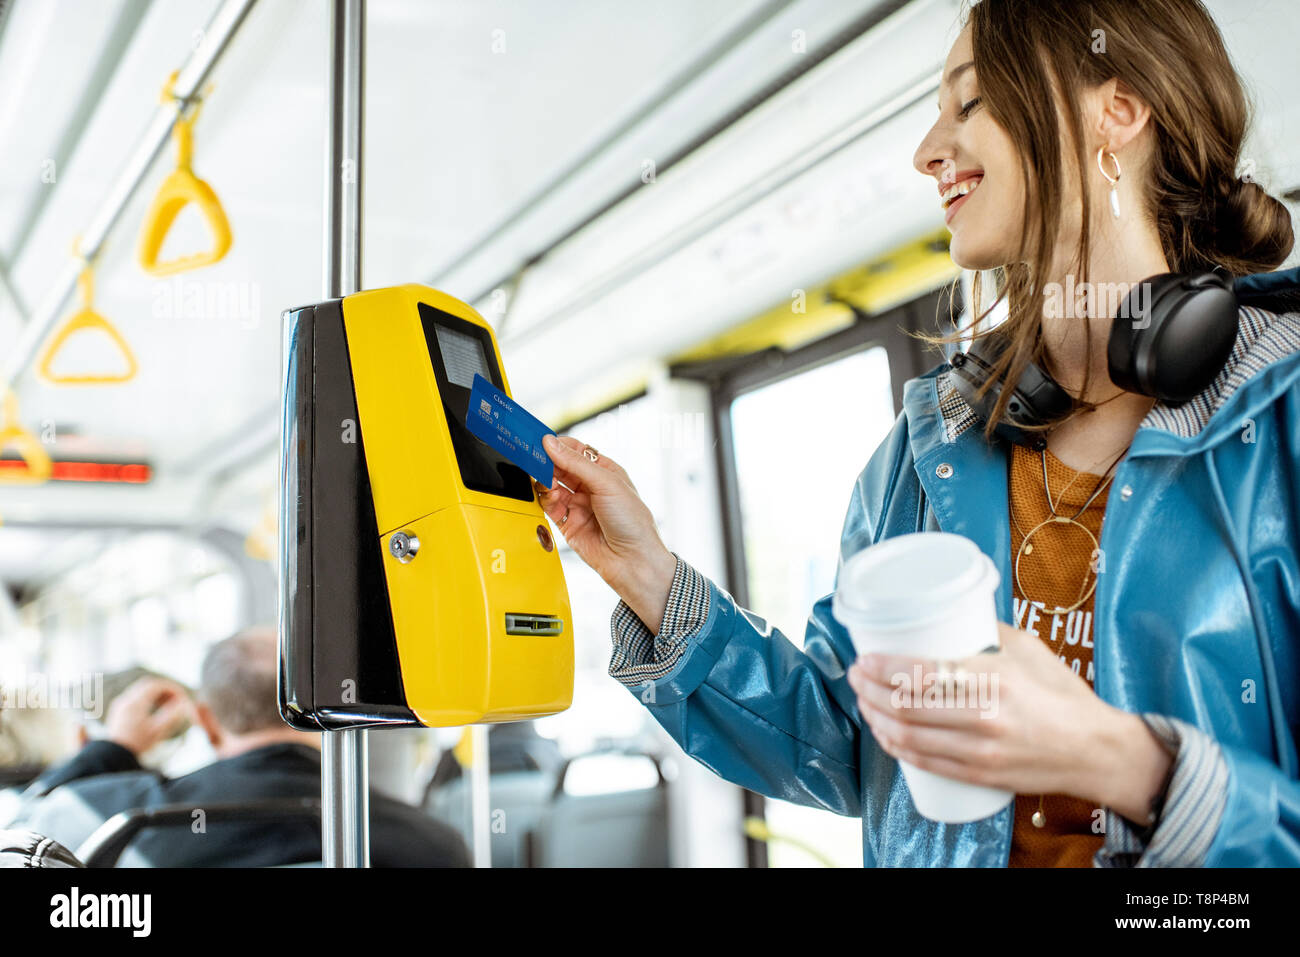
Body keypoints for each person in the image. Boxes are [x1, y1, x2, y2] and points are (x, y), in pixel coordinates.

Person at [532, 0, 1298, 867]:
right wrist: (647, 573)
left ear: (1115, 112)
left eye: (969, 104)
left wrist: (1125, 764)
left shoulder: (1282, 415)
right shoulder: (928, 447)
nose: (927, 151)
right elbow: (848, 743)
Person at [15, 628, 469, 867]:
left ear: (207, 721)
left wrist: (113, 748)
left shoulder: (107, 817)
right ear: (331, 710)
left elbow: (16, 841)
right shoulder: (431, 843)